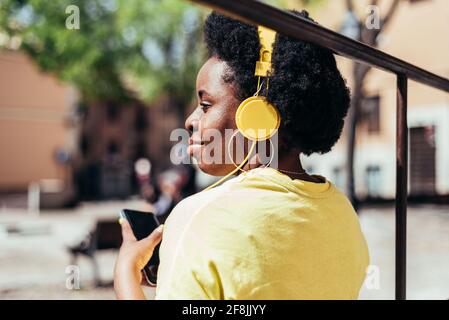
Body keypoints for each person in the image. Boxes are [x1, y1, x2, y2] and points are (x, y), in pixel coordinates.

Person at [114, 10, 369, 300]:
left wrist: (126, 276)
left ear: (258, 117)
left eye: (206, 105)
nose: (190, 120)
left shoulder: (199, 219)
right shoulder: (343, 212)